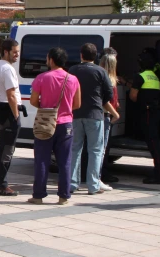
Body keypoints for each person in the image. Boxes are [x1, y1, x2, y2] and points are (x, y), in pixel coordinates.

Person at [28, 47, 81, 205]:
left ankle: (38, 195)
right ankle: (63, 196)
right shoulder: (73, 79)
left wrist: (45, 108)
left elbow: (33, 100)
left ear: (51, 60)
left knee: (42, 159)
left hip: (45, 123)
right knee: (65, 161)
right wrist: (63, 110)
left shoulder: (42, 78)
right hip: (66, 124)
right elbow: (77, 104)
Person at [69, 43, 118, 195]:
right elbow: (108, 94)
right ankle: (93, 185)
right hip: (95, 115)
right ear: (95, 56)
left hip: (76, 115)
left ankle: (72, 184)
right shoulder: (100, 71)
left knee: (75, 149)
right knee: (95, 151)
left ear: (81, 55)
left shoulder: (73, 70)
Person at [0, 38, 22, 197]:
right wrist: (16, 116)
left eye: (18, 52)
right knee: (7, 149)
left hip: (0, 110)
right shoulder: (7, 69)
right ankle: (1, 185)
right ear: (6, 52)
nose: (17, 55)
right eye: (14, 52)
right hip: (7, 111)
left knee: (2, 147)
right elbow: (11, 95)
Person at [129, 52, 160, 185]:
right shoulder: (154, 77)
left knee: (153, 143)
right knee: (154, 142)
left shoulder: (140, 76)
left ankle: (159, 175)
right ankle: (159, 172)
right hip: (156, 111)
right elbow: (146, 91)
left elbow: (133, 96)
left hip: (148, 112)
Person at [99, 52, 121, 185]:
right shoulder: (107, 80)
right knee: (102, 149)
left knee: (102, 148)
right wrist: (116, 114)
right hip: (105, 115)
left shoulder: (107, 79)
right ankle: (100, 175)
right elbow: (105, 101)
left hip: (106, 115)